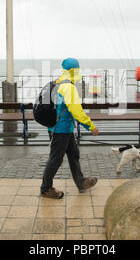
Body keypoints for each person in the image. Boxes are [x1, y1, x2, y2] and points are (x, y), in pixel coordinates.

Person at [41, 58, 99, 199]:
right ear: (74, 71)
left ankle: (81, 182)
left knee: (74, 155)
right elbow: (76, 111)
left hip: (64, 128)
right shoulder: (68, 87)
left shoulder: (58, 82)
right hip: (59, 130)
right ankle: (46, 188)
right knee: (55, 159)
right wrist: (91, 126)